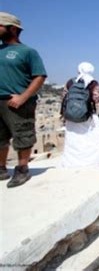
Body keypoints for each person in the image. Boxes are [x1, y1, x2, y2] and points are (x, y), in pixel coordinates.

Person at [0, 12, 47, 188]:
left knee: (23, 135)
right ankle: (1, 168)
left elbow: (39, 76)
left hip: (17, 101)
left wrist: (23, 97)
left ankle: (22, 169)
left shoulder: (27, 52)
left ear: (12, 29)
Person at [60, 62, 99, 169]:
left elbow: (64, 98)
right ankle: (93, 162)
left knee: (73, 140)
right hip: (88, 116)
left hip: (71, 117)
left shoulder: (70, 82)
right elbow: (97, 99)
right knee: (91, 140)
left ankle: (72, 163)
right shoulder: (93, 83)